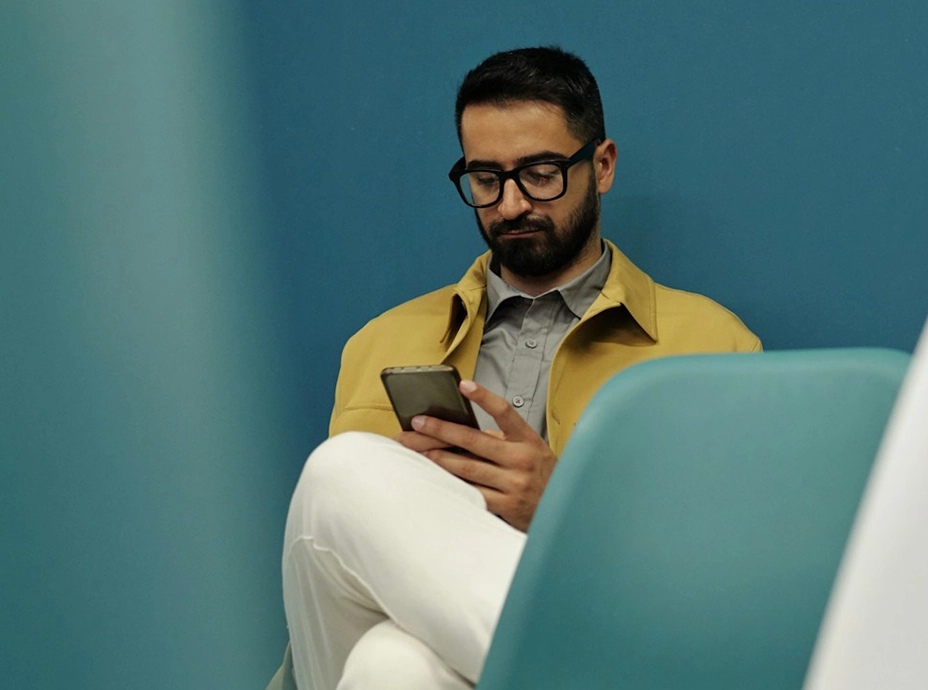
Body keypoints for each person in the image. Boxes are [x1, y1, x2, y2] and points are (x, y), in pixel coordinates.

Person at [268, 47, 761, 690]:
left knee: (389, 662)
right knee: (384, 645)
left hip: (636, 639)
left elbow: (733, 578)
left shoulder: (711, 345)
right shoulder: (380, 344)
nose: (509, 205)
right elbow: (337, 592)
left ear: (602, 165)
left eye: (540, 172)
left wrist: (566, 513)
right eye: (486, 179)